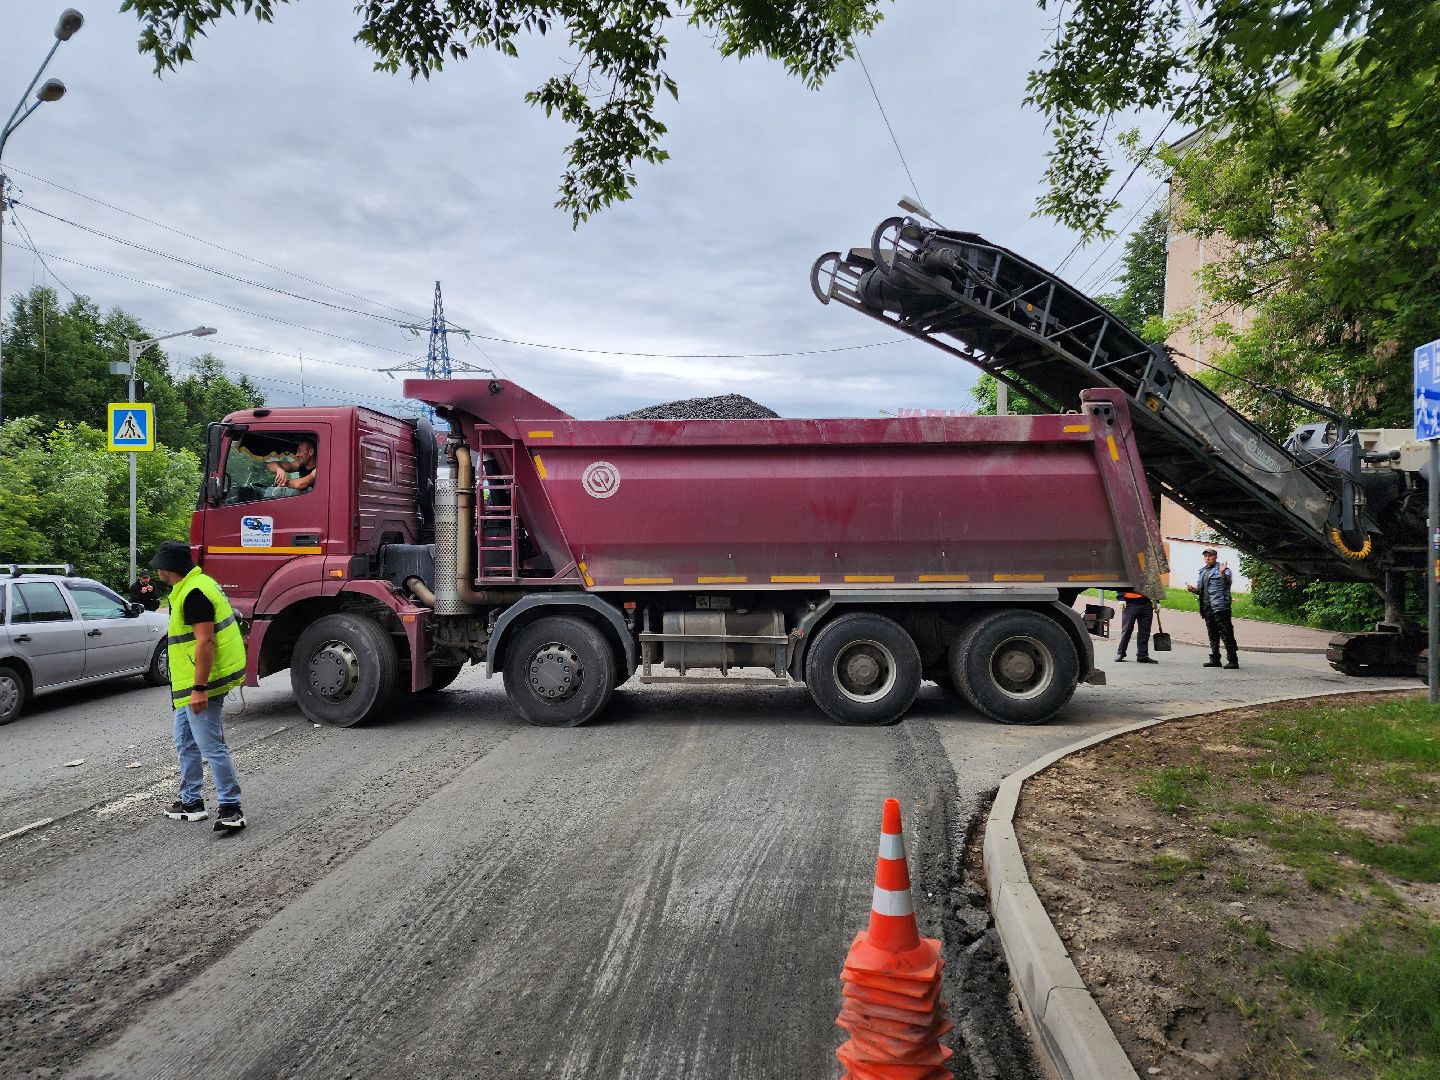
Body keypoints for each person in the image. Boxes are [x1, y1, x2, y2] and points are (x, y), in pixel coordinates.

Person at [151, 541, 248, 831]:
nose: (156, 571)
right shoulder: (194, 586)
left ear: (168, 568)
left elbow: (206, 641)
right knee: (186, 743)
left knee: (211, 745)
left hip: (201, 683)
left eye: (159, 566)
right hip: (187, 684)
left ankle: (232, 808)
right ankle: (191, 802)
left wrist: (200, 688)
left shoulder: (194, 593)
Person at [1187, 548, 1239, 669]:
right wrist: (1193, 589)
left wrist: (1222, 573)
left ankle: (1233, 660)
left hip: (1220, 607)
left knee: (1226, 633)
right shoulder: (1203, 571)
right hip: (1207, 607)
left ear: (1215, 557)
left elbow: (1228, 581)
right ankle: (1215, 659)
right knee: (1212, 633)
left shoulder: (1223, 569)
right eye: (1205, 556)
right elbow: (1201, 590)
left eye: (1210, 556)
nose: (1208, 558)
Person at [1114, 589, 1158, 664]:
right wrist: (1121, 598)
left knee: (1145, 631)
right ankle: (1120, 653)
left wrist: (1156, 601)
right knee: (1127, 630)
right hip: (1129, 603)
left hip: (1146, 604)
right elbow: (1122, 584)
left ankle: (1142, 655)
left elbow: (1153, 585)